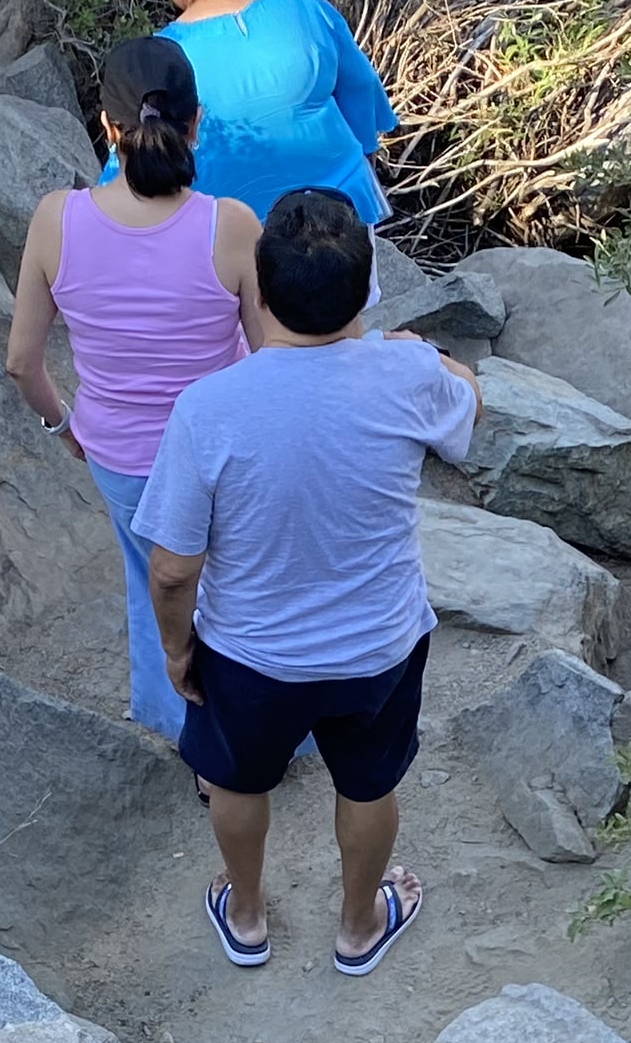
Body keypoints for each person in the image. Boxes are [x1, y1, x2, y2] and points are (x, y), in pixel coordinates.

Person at [139, 188, 478, 977]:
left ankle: (247, 915)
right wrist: (433, 355)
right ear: (366, 292)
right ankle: (359, 927)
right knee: (368, 784)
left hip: (250, 654)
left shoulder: (208, 408)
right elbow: (470, 405)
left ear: (259, 294)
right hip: (379, 645)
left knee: (235, 779)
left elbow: (173, 567)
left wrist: (177, 651)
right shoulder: (409, 373)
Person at [6, 34, 267, 737]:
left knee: (150, 578)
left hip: (118, 454)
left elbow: (22, 362)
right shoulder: (230, 225)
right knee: (235, 585)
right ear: (195, 122)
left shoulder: (56, 218)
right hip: (220, 452)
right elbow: (270, 359)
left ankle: (177, 723)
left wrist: (65, 426)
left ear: (107, 126)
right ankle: (255, 729)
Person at [143, 0, 399, 230]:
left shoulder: (161, 54)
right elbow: (359, 83)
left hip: (230, 234)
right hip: (341, 208)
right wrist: (364, 157)